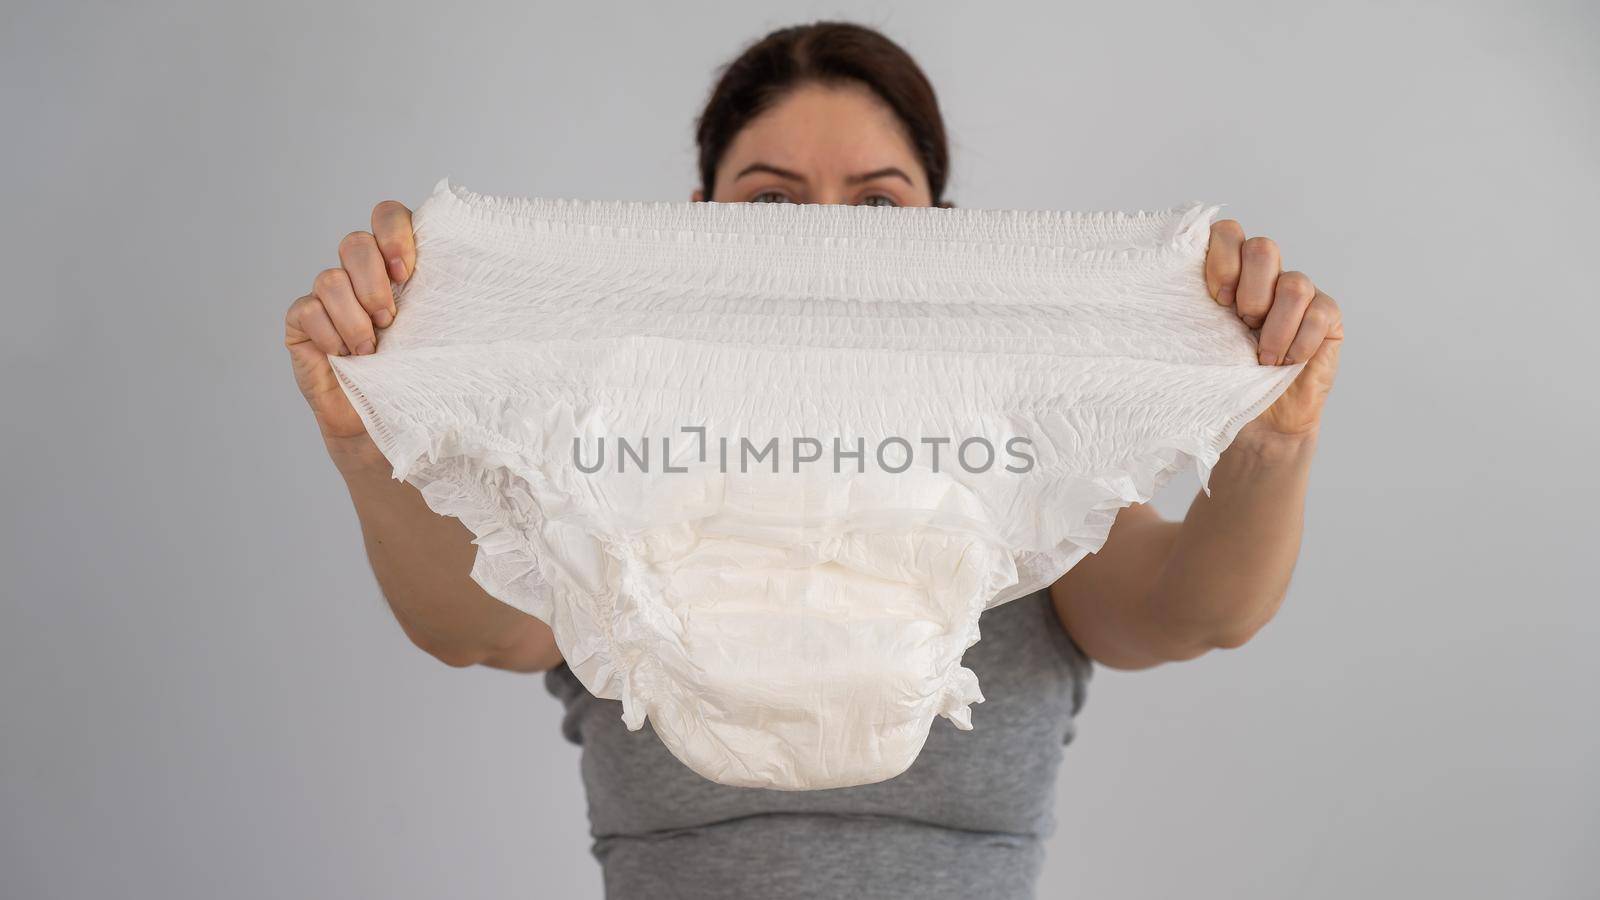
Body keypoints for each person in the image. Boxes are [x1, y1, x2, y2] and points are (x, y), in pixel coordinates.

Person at [283, 20, 1343, 900]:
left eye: (878, 205)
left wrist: (1274, 437)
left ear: (945, 233)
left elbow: (1193, 611)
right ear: (695, 229)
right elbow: (482, 629)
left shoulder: (1009, 464)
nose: (824, 244)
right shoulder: (611, 460)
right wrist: (364, 433)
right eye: (772, 204)